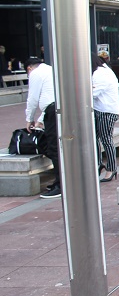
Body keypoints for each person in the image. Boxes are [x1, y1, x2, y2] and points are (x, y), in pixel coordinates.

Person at [25, 58, 61, 198]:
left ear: (29, 68)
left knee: (53, 147)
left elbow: (33, 98)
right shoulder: (50, 70)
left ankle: (60, 184)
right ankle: (60, 181)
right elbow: (51, 96)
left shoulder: (35, 74)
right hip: (56, 109)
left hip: (52, 111)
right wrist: (41, 120)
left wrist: (30, 119)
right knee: (58, 146)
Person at [92, 51, 119, 183]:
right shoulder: (103, 71)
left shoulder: (100, 73)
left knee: (106, 138)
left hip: (106, 110)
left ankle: (111, 167)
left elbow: (93, 92)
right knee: (95, 138)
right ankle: (99, 163)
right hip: (101, 109)